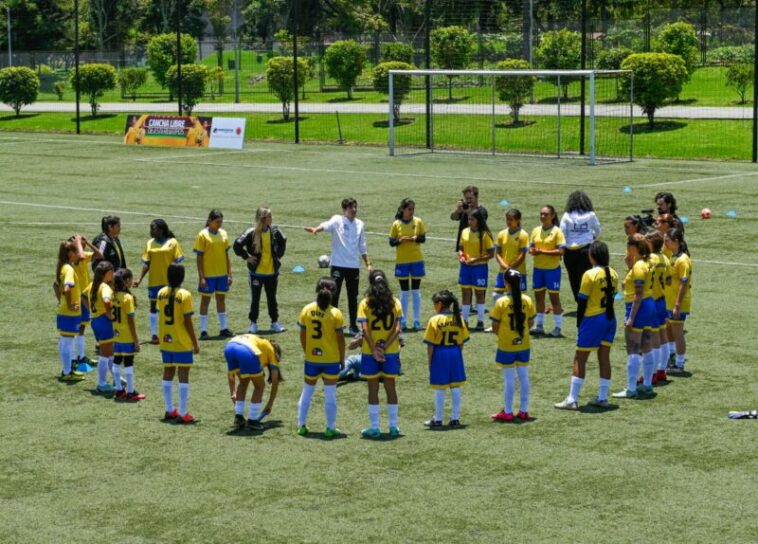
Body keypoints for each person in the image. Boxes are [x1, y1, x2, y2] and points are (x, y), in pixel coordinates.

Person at [554, 241, 618, 410]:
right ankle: (603, 398)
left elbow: (582, 301)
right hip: (610, 318)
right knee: (604, 357)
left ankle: (572, 399)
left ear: (593, 255)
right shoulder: (613, 273)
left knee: (580, 358)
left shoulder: (590, 274)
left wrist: (579, 321)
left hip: (593, 318)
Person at [304, 198, 373, 336]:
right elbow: (326, 225)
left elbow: (362, 246)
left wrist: (368, 264)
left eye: (355, 207)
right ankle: (332, 324)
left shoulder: (360, 224)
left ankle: (353, 325)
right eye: (351, 207)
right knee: (333, 295)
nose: (354, 210)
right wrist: (316, 229)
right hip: (338, 265)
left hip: (353, 266)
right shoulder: (337, 220)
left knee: (353, 297)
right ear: (344, 210)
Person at [296, 277, 346, 439]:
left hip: (312, 359)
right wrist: (342, 358)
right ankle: (330, 428)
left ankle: (301, 426)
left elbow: (302, 335)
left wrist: (307, 351)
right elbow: (341, 340)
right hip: (331, 360)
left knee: (307, 392)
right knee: (330, 395)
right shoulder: (336, 313)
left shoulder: (306, 310)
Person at [357, 270, 403, 439]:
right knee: (391, 387)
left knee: (373, 388)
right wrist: (384, 347)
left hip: (370, 353)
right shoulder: (395, 302)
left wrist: (374, 349)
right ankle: (393, 426)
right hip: (390, 352)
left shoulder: (365, 303)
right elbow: (397, 329)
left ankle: (375, 427)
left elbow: (365, 329)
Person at [613, 234, 656, 399]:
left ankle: (631, 389)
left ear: (633, 247)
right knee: (646, 345)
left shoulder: (638, 266)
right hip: (649, 304)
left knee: (633, 348)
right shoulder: (646, 263)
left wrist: (630, 317)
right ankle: (647, 385)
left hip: (638, 306)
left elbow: (637, 295)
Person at [490, 269, 535, 421]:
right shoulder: (527, 300)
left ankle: (508, 411)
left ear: (506, 283)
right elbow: (530, 322)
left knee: (509, 378)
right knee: (524, 376)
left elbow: (495, 326)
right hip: (524, 344)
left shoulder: (501, 302)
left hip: (506, 345)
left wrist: (503, 336)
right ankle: (524, 410)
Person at [157, 264, 200, 424]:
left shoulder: (161, 292)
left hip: (165, 339)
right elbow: (187, 322)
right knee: (183, 375)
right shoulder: (185, 295)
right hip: (181, 341)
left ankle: (169, 410)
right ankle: (182, 412)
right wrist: (195, 343)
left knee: (168, 372)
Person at [233, 207, 287, 334]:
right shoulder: (251, 232)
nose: (271, 218)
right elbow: (237, 245)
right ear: (262, 219)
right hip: (256, 273)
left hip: (272, 272)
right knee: (255, 299)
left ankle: (274, 322)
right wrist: (247, 257)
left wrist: (278, 255)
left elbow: (283, 241)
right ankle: (253, 323)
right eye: (269, 216)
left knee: (272, 298)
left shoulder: (274, 230)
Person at [423, 290, 470, 428]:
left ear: (440, 304)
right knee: (455, 386)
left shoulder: (434, 320)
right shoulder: (458, 318)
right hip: (455, 352)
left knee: (440, 387)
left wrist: (430, 361)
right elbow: (462, 341)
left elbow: (430, 345)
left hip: (440, 353)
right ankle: (455, 418)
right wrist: (456, 354)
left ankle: (437, 419)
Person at [134, 219, 184, 344]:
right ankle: (154, 335)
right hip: (154, 280)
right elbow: (147, 264)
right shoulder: (150, 243)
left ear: (161, 230)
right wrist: (139, 279)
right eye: (150, 228)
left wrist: (178, 280)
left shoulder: (173, 242)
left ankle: (172, 333)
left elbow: (178, 262)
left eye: (153, 228)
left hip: (170, 281)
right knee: (152, 306)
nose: (151, 231)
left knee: (171, 306)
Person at [224, 334, 282, 432]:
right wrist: (270, 404)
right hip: (246, 351)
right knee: (259, 386)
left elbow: (230, 373)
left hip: (229, 346)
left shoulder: (259, 341)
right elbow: (275, 381)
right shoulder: (271, 351)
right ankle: (253, 421)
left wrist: (232, 392)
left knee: (243, 381)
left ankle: (239, 418)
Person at [193, 209, 233, 340]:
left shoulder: (223, 234)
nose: (219, 224)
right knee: (206, 301)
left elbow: (227, 255)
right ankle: (204, 331)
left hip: (222, 274)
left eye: (221, 221)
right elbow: (199, 258)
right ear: (210, 221)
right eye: (217, 222)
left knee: (221, 300)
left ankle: (224, 328)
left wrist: (229, 273)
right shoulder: (202, 235)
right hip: (208, 275)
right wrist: (201, 277)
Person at [389, 198, 426, 331]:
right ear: (403, 209)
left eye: (413, 209)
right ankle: (403, 320)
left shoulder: (418, 221)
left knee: (416, 291)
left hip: (416, 260)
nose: (411, 212)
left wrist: (416, 238)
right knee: (404, 292)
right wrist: (400, 240)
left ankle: (416, 320)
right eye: (409, 209)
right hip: (402, 261)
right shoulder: (396, 224)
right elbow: (391, 242)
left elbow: (423, 238)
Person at [529, 205, 566, 337]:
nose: (543, 217)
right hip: (538, 269)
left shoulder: (557, 231)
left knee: (554, 299)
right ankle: (539, 325)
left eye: (546, 214)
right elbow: (531, 246)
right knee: (538, 298)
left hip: (552, 270)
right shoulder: (535, 230)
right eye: (541, 214)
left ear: (553, 216)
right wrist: (532, 251)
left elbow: (561, 251)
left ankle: (557, 327)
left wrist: (541, 251)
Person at [457, 208, 495, 331]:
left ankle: (480, 321)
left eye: (472, 219)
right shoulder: (464, 232)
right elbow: (461, 248)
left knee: (479, 293)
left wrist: (476, 260)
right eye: (469, 219)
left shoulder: (485, 234)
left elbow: (491, 254)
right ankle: (465, 321)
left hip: (479, 268)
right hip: (465, 267)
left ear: (478, 220)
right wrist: (461, 256)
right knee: (466, 292)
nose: (469, 221)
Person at [560, 191, 601, 302]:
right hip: (585, 250)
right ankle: (587, 301)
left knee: (573, 277)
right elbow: (598, 229)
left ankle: (578, 301)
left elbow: (562, 232)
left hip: (570, 251)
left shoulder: (566, 215)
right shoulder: (590, 215)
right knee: (586, 277)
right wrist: (592, 237)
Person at [112, 268, 145, 402]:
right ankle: (131, 392)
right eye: (131, 279)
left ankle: (119, 390)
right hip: (126, 336)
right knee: (129, 362)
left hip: (116, 335)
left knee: (116, 362)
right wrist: (136, 340)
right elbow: (130, 321)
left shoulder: (113, 295)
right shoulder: (127, 298)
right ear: (126, 281)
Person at [54, 239, 85, 382]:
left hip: (63, 311)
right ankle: (67, 372)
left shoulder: (62, 267)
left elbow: (55, 286)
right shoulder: (69, 269)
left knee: (64, 341)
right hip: (69, 312)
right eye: (75, 251)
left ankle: (67, 370)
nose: (78, 253)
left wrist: (61, 301)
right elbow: (66, 288)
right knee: (68, 342)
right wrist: (71, 304)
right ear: (70, 253)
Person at [72, 234, 102, 370]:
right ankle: (74, 359)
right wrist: (78, 242)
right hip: (77, 298)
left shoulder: (83, 254)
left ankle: (81, 356)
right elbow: (81, 256)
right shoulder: (75, 258)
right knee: (75, 329)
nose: (82, 243)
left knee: (82, 328)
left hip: (85, 296)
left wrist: (88, 242)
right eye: (80, 242)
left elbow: (99, 255)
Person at [645, 231, 672, 384]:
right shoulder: (665, 259)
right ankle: (662, 370)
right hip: (662, 300)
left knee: (653, 337)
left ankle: (653, 373)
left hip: (652, 301)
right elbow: (668, 281)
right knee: (663, 335)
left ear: (650, 242)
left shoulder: (650, 259)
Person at [664, 228, 691, 375]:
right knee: (669, 331)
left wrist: (677, 305)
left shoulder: (683, 260)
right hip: (669, 300)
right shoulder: (673, 256)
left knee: (678, 332)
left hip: (678, 302)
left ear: (676, 241)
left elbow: (684, 283)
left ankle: (680, 364)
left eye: (667, 240)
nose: (665, 243)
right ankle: (671, 358)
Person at [87, 261, 117, 394]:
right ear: (109, 273)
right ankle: (102, 383)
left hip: (95, 321)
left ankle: (116, 378)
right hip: (104, 321)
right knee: (105, 355)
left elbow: (83, 296)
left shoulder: (92, 285)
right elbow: (106, 301)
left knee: (109, 352)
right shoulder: (105, 287)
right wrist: (110, 316)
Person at [493, 208, 529, 302]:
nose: (508, 222)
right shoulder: (502, 234)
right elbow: (497, 253)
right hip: (503, 270)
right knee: (496, 295)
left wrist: (511, 267)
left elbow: (522, 255)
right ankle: (501, 315)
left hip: (518, 271)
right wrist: (505, 266)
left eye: (511, 219)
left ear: (518, 220)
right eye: (507, 219)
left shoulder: (523, 235)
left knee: (517, 296)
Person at [451, 185, 488, 252]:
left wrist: (468, 212)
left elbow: (478, 224)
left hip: (476, 247)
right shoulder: (465, 208)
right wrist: (457, 210)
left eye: (470, 198)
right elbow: (453, 217)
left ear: (476, 197)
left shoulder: (482, 211)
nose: (468, 201)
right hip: (463, 245)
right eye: (466, 198)